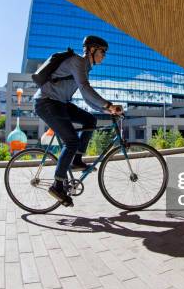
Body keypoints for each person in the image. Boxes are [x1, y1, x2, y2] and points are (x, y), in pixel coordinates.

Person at [33, 35, 123, 207]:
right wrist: (109, 105)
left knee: (90, 119)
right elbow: (85, 89)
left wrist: (106, 109)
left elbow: (87, 99)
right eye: (102, 51)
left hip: (60, 103)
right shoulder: (77, 62)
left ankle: (76, 160)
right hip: (46, 102)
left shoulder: (85, 68)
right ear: (91, 50)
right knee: (72, 140)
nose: (104, 55)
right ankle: (57, 185)